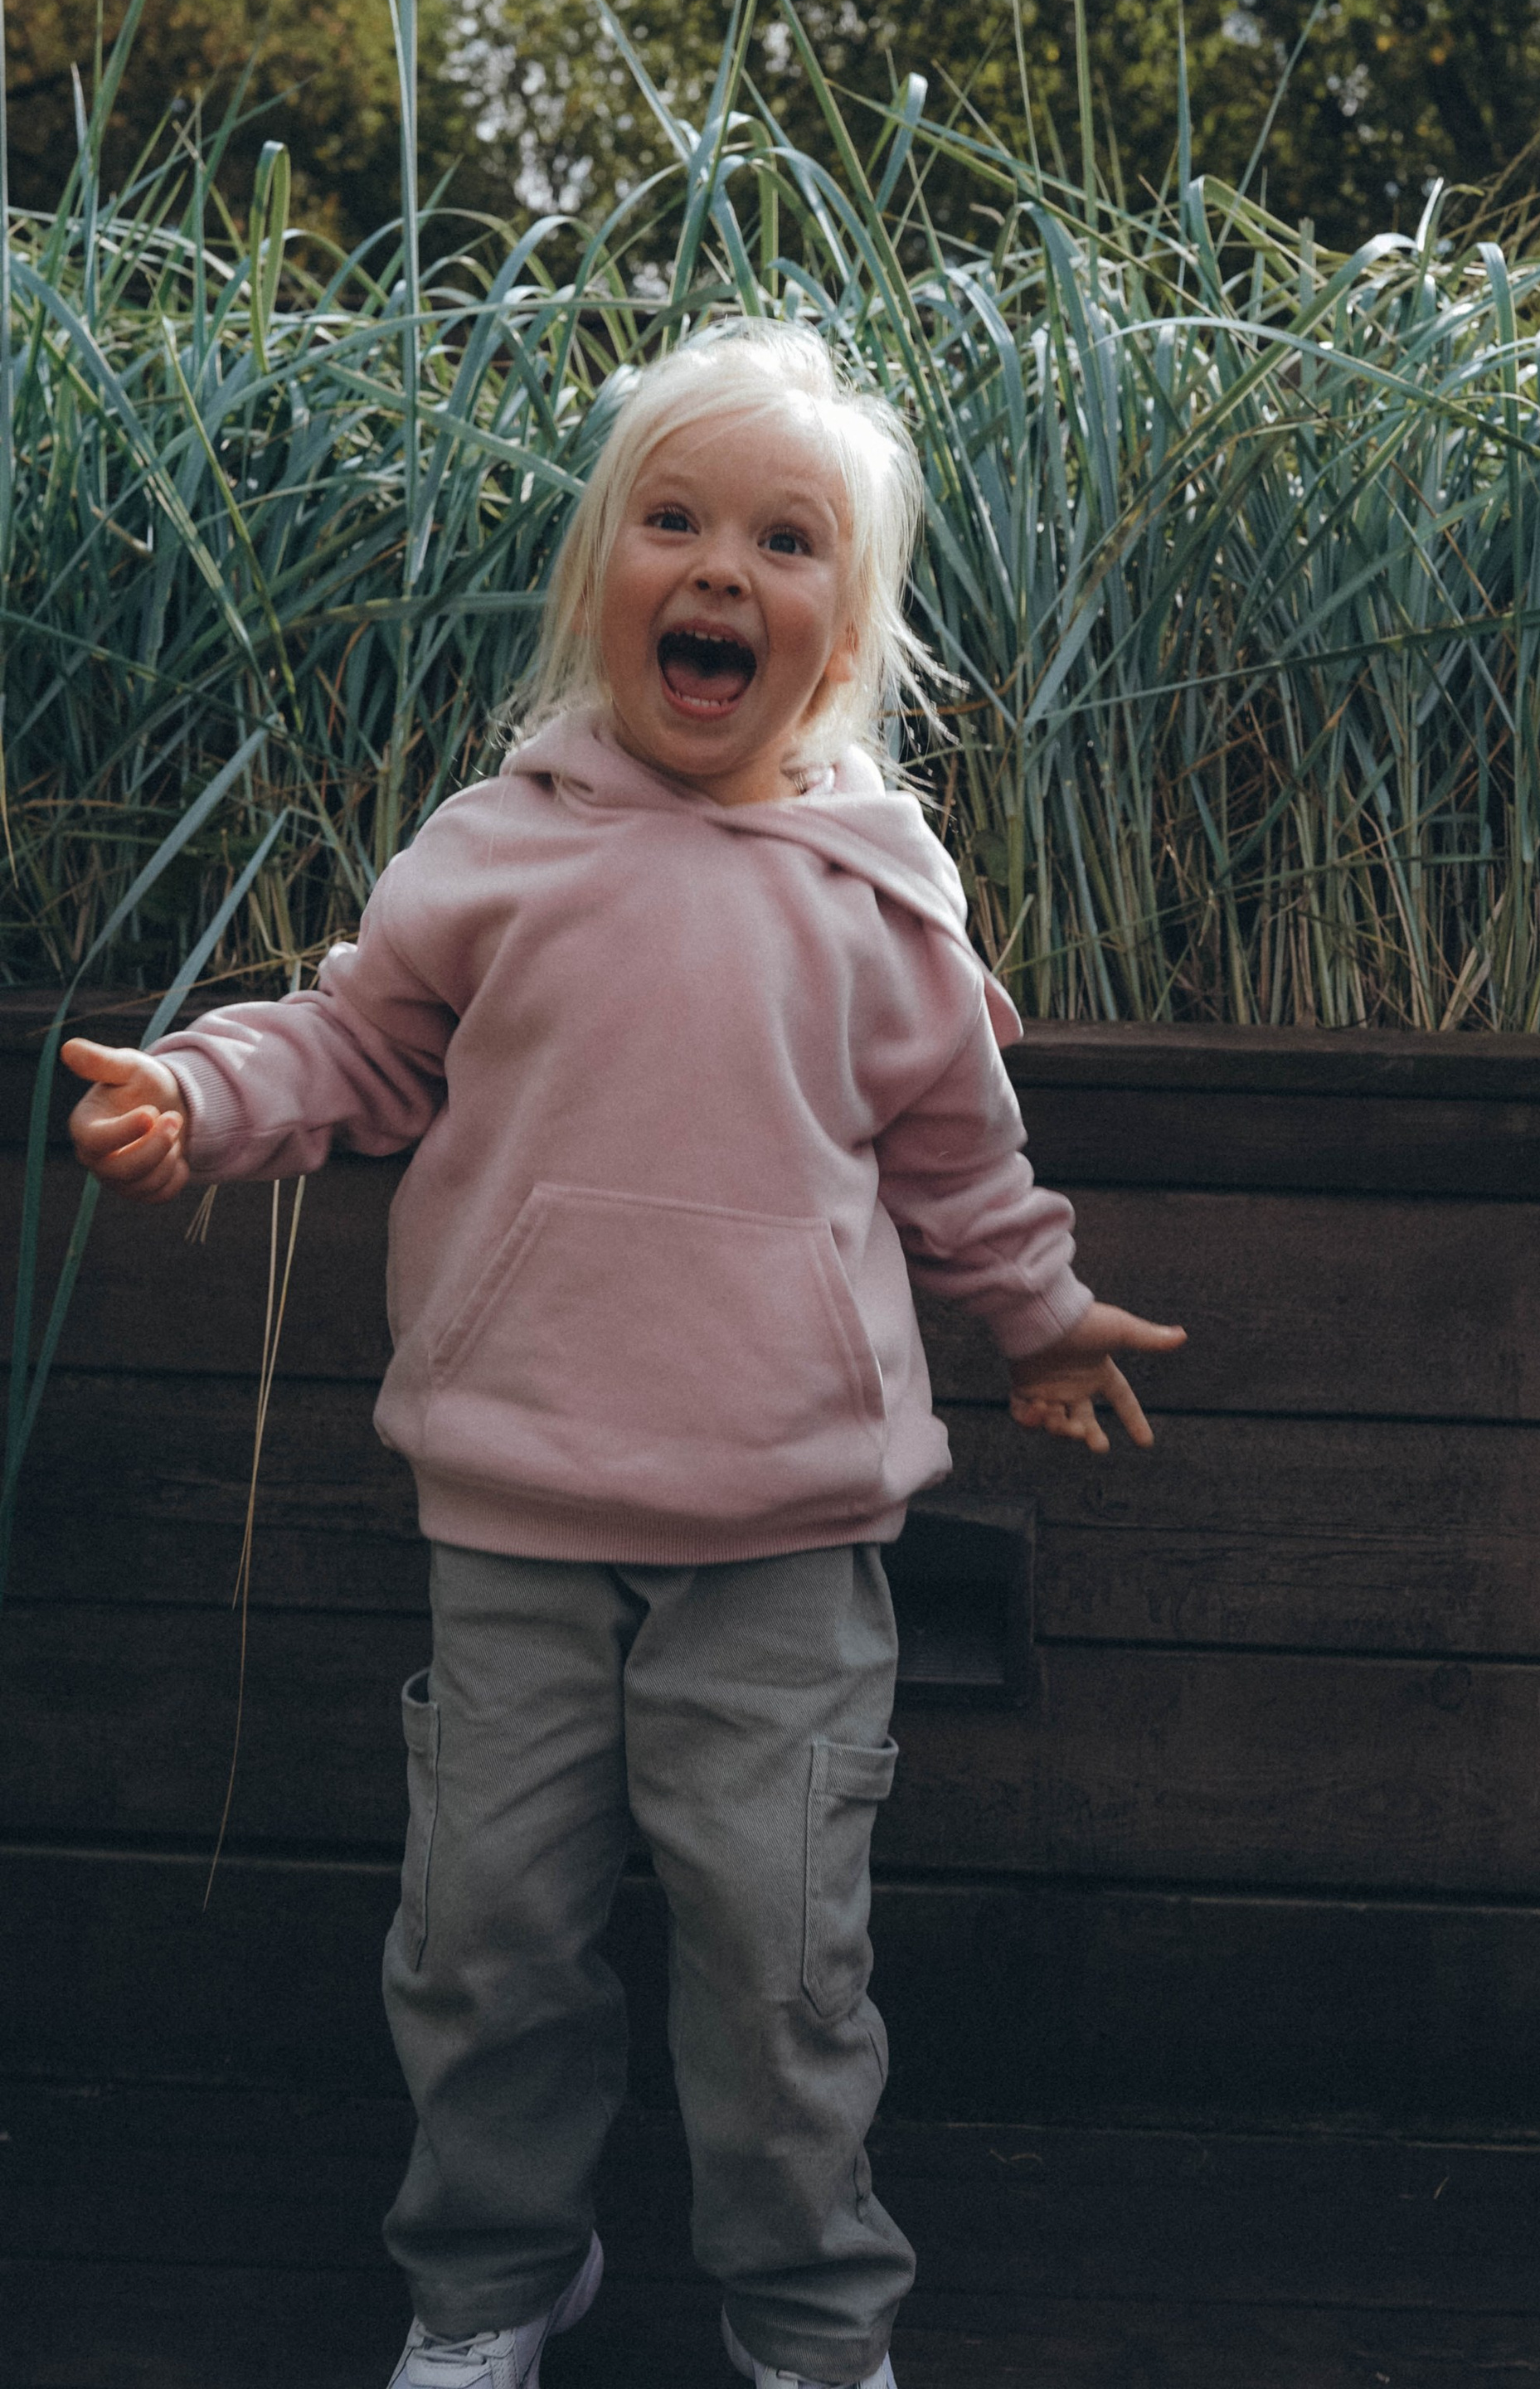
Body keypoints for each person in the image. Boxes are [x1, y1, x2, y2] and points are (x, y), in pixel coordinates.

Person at [65, 320, 1185, 2389]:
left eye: (784, 538)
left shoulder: (878, 900)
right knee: (483, 1951)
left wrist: (1035, 1314)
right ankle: (489, 2289)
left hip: (782, 1542)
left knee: (777, 1976)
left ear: (845, 625)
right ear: (600, 573)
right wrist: (205, 1100)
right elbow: (354, 1044)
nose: (719, 570)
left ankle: (812, 2328)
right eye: (669, 521)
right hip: (513, 1528)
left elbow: (959, 1156)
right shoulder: (495, 850)